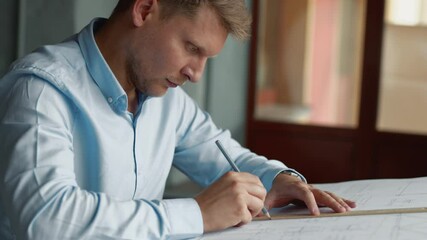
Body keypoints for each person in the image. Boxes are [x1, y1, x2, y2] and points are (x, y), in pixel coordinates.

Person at [0, 0, 356, 239]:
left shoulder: (167, 101)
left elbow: (224, 156)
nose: (196, 74)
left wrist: (278, 179)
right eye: (192, 48)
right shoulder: (41, 90)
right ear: (144, 9)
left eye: (206, 59)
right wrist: (196, 213)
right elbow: (46, 218)